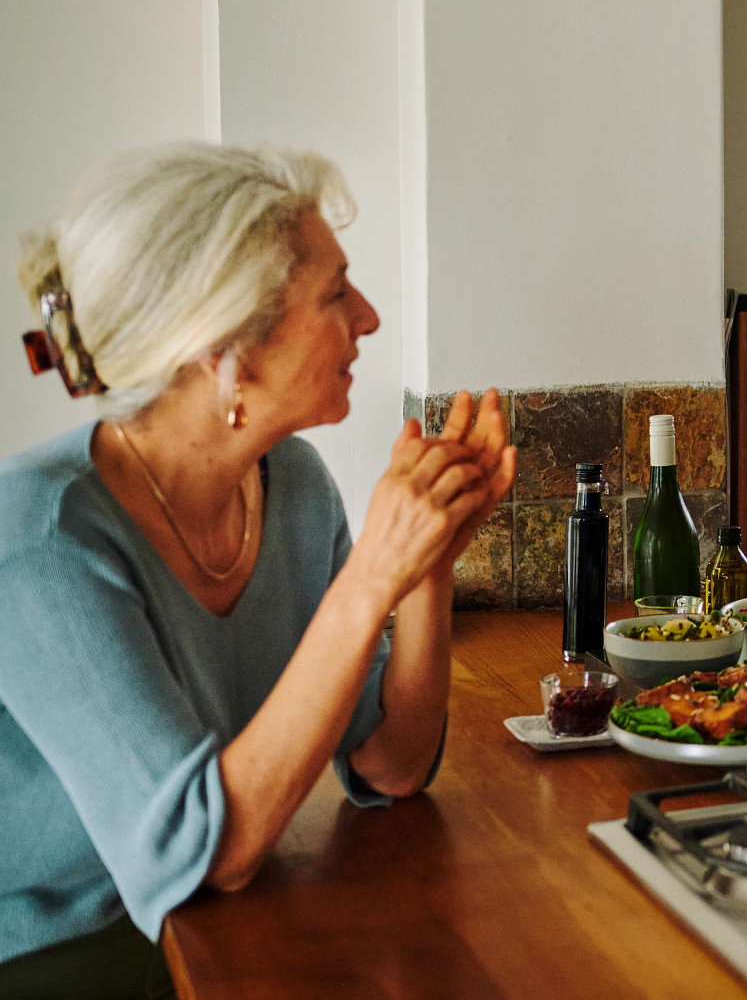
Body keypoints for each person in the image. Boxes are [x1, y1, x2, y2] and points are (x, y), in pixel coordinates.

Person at [0, 144, 514, 999]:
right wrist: (368, 581)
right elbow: (199, 856)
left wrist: (426, 565)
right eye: (335, 293)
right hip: (57, 953)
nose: (371, 317)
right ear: (224, 347)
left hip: (211, 927)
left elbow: (389, 765)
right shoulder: (39, 538)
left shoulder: (296, 485)